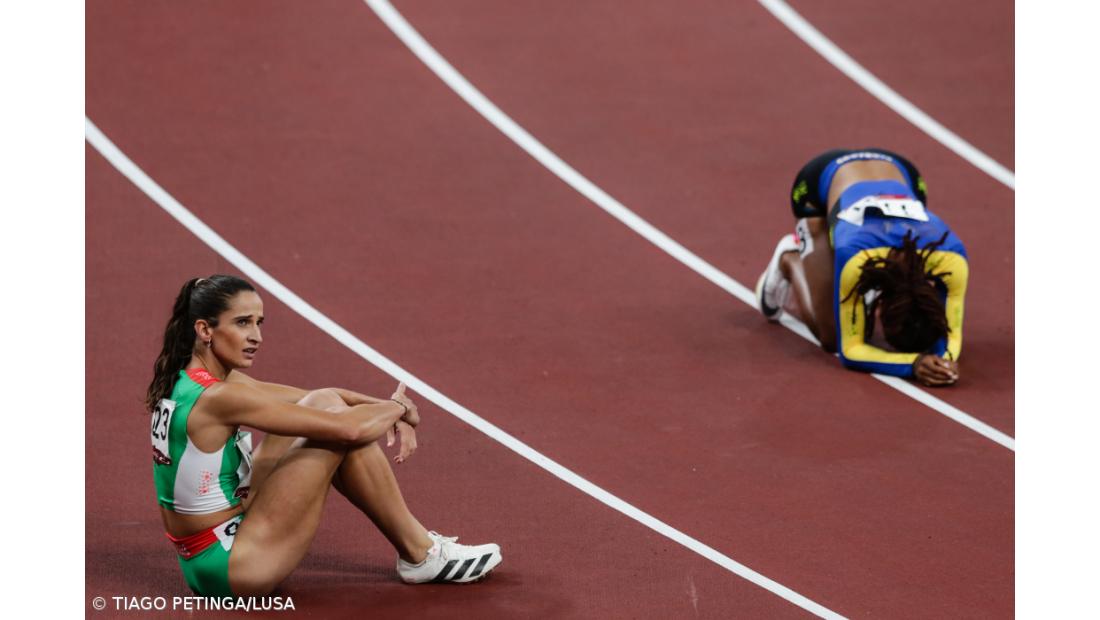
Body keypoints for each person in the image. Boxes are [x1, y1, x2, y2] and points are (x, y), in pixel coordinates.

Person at [147, 275, 502, 597]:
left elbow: (320, 395)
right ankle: (421, 554)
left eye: (259, 323)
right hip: (232, 568)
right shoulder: (222, 397)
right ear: (205, 330)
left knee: (324, 402)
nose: (256, 336)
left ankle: (419, 552)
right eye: (242, 323)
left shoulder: (195, 378)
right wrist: (399, 410)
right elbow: (350, 429)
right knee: (338, 432)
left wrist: (387, 405)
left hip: (208, 552)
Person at [755, 148, 968, 387]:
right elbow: (850, 350)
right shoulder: (855, 257)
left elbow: (951, 333)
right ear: (882, 307)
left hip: (905, 174)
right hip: (817, 182)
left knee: (854, 318)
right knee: (832, 337)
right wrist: (914, 364)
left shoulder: (952, 259)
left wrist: (943, 361)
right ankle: (790, 258)